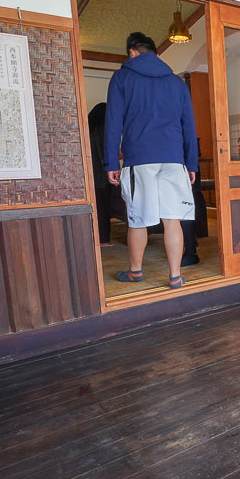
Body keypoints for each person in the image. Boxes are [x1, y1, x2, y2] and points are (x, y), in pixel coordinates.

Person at [104, 32, 198, 289]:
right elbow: (188, 125)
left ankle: (136, 271)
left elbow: (113, 123)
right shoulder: (176, 83)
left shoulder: (122, 77)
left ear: (132, 52)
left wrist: (111, 162)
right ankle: (176, 275)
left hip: (140, 159)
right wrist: (191, 164)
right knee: (173, 219)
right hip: (174, 160)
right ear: (156, 53)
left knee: (138, 219)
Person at [87, 103, 114, 246]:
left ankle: (96, 237)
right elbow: (107, 152)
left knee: (96, 207)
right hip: (102, 176)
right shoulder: (104, 130)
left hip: (90, 175)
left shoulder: (87, 131)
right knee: (104, 208)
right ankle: (103, 240)